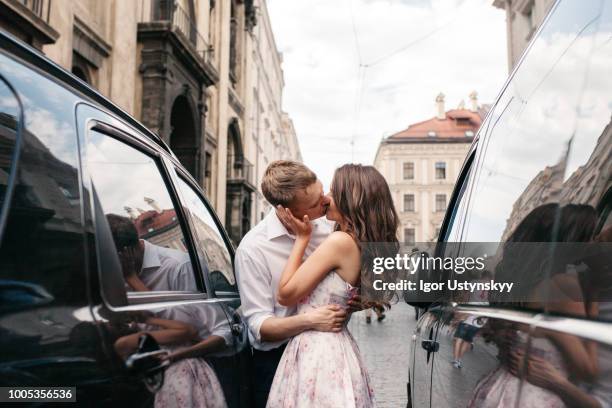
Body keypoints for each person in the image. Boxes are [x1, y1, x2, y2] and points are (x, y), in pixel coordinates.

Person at [266, 164, 399, 408]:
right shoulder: (358, 243)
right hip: (338, 349)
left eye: (333, 192)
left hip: (319, 352)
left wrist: (302, 238)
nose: (326, 198)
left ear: (351, 200)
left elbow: (286, 294)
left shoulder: (339, 242)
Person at [235, 161, 355, 408]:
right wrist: (310, 321)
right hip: (276, 361)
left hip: (324, 358)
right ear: (286, 211)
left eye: (322, 192)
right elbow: (259, 325)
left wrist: (355, 302)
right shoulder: (253, 249)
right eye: (314, 203)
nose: (325, 201)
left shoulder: (330, 227)